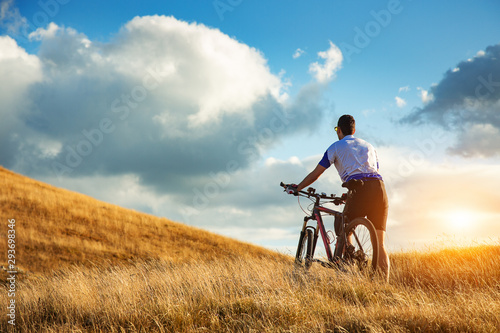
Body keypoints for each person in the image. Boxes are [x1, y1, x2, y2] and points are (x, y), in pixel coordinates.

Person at [288, 115, 390, 282]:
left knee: (342, 225)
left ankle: (347, 261)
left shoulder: (335, 147)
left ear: (339, 130)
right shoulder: (369, 146)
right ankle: (384, 286)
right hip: (379, 188)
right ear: (354, 130)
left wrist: (298, 187)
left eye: (337, 130)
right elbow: (373, 170)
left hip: (358, 188)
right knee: (380, 245)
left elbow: (316, 174)